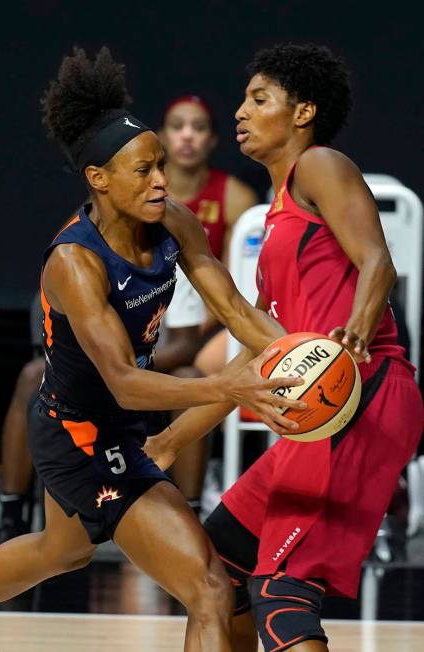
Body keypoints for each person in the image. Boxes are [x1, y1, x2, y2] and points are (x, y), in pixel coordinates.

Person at [0, 46, 305, 652]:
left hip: (117, 424)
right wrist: (227, 387)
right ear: (98, 179)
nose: (162, 179)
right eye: (143, 170)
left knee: (64, 551)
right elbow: (123, 382)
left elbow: (236, 313)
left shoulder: (175, 220)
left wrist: (306, 351)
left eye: (161, 164)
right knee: (209, 589)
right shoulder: (75, 263)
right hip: (79, 433)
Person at [144, 43, 423, 651]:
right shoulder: (275, 219)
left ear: (303, 112)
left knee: (282, 592)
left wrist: (352, 335)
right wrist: (168, 440)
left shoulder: (320, 165)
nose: (241, 111)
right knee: (212, 568)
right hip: (320, 413)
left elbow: (378, 261)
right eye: (244, 99)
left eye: (259, 98)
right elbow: (254, 358)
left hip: (358, 400)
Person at [154, 95, 257, 514]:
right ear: (161, 136)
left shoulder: (235, 198)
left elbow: (237, 287)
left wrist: (189, 336)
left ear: (212, 140)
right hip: (147, 316)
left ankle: (192, 497)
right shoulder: (141, 188)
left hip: (209, 322)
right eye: (177, 125)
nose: (187, 136)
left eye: (197, 127)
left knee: (196, 373)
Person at [0, 292, 44, 545]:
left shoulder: (168, 268)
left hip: (137, 369)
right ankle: (11, 516)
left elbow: (184, 345)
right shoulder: (74, 261)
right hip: (89, 368)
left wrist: (125, 370)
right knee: (32, 376)